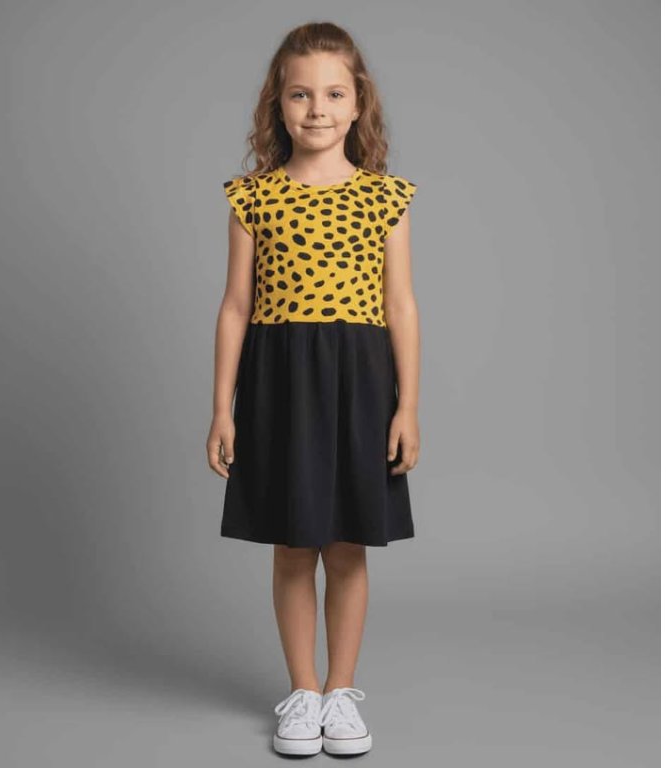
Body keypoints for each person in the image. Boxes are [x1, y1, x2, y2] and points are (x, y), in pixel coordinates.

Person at [206, 21, 421, 757]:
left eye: (333, 94)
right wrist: (222, 408)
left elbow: (401, 306)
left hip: (360, 383)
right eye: (300, 94)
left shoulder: (385, 199)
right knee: (295, 544)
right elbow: (235, 307)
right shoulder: (253, 198)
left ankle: (340, 693)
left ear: (359, 103)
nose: (317, 109)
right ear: (279, 103)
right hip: (281, 383)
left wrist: (408, 406)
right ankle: (301, 692)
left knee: (348, 544)